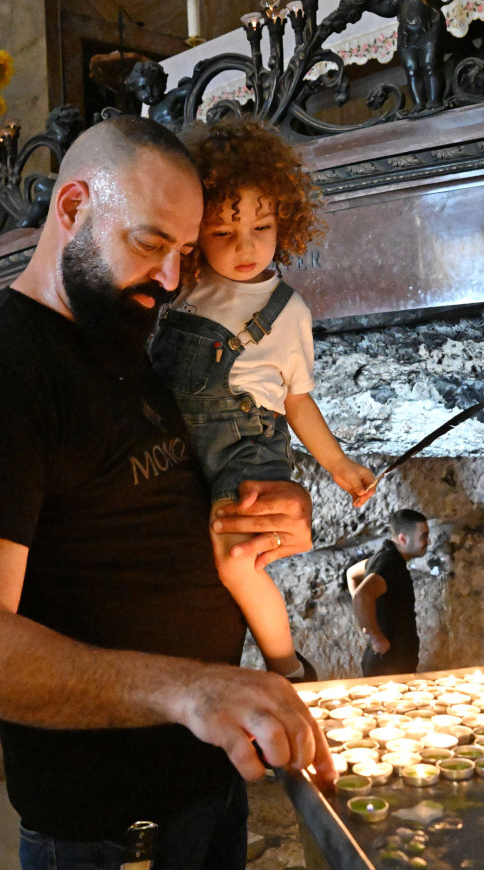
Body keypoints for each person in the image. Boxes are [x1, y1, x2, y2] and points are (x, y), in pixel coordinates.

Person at [0, 114, 336, 870]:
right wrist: (190, 689)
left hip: (203, 786)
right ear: (73, 207)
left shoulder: (128, 335)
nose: (173, 280)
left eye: (185, 253)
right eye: (151, 245)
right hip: (110, 832)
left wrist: (276, 502)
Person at [149, 116, 375, 682]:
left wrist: (339, 464)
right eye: (224, 232)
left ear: (286, 222)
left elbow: (297, 403)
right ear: (195, 228)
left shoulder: (287, 311)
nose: (246, 247)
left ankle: (285, 668)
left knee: (237, 559)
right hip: (178, 447)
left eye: (263, 227)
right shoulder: (181, 288)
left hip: (247, 450)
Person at [351, 508, 430, 677]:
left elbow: (351, 573)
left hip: (389, 661)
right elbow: (361, 596)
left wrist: (367, 620)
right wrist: (375, 637)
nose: (428, 542)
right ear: (403, 538)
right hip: (388, 664)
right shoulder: (390, 564)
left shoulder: (383, 557)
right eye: (423, 536)